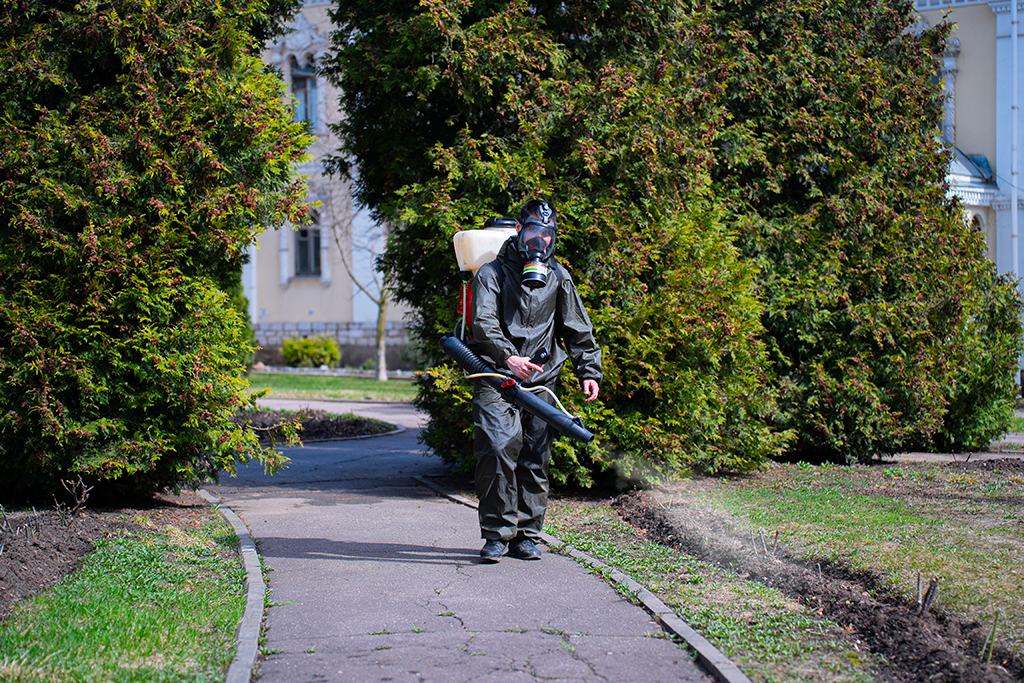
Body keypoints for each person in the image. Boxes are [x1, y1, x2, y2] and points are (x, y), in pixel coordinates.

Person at [470, 199, 602, 562]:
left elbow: (577, 328)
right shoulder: (491, 274)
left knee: (534, 456)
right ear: (518, 230)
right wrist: (507, 357)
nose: (539, 241)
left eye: (547, 234)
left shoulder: (558, 276)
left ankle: (527, 536)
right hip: (496, 376)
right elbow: (483, 323)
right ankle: (497, 534)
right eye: (533, 232)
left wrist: (589, 371)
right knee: (497, 449)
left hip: (542, 379)